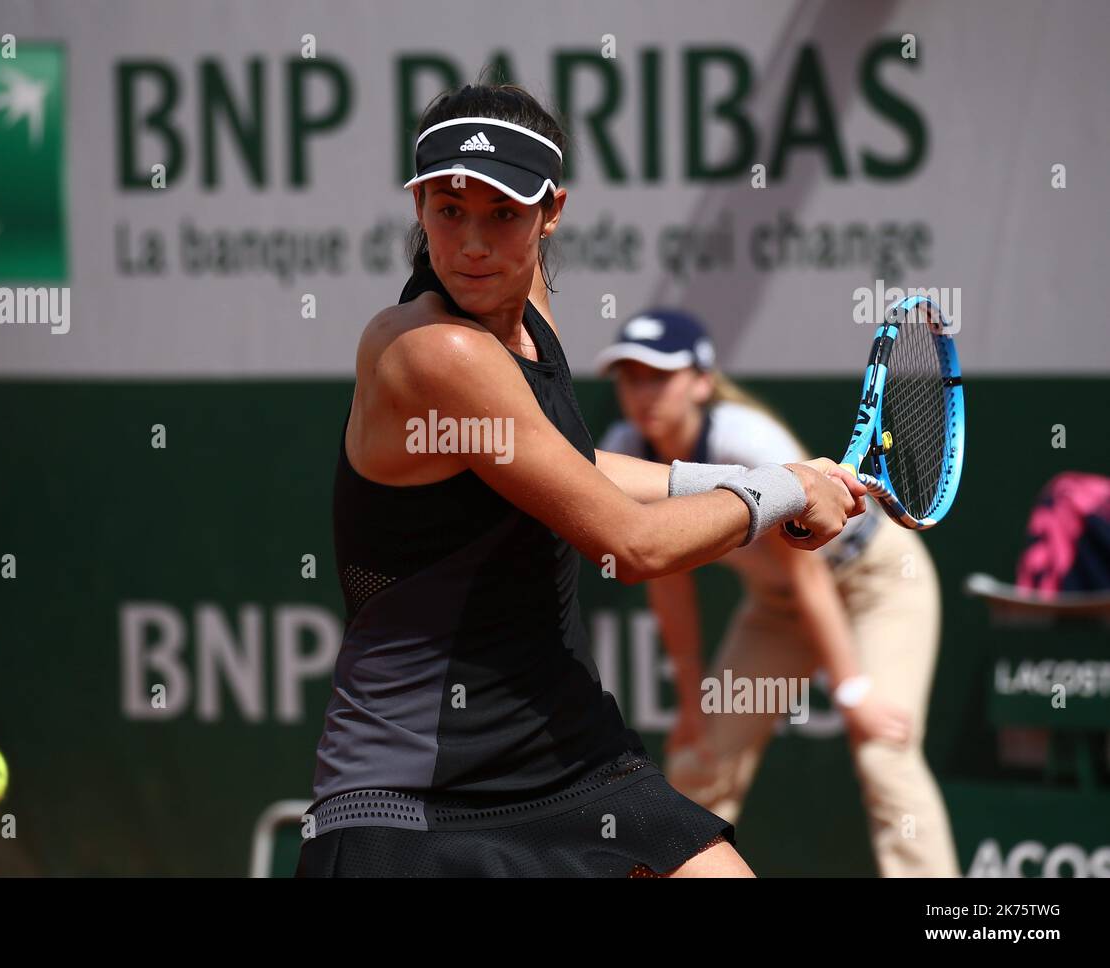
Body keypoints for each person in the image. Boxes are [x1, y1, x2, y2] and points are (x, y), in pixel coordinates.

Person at [295, 78, 865, 878]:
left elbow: (575, 472)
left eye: (504, 214)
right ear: (418, 202)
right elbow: (628, 545)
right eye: (448, 210)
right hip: (416, 796)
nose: (473, 243)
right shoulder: (434, 351)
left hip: (570, 759)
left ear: (550, 211)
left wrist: (762, 476)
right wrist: (784, 492)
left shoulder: (527, 312)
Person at [595, 309, 961, 876]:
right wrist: (692, 698)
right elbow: (662, 572)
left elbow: (808, 572)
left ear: (699, 381)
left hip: (875, 585)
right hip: (779, 611)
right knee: (700, 755)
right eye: (630, 377)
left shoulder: (747, 439)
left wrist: (854, 690)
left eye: (658, 376)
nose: (642, 393)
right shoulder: (627, 446)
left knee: (885, 754)